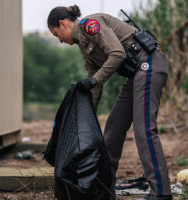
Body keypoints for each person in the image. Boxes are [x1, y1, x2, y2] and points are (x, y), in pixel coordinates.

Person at [47, 5, 173, 200]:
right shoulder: (83, 44)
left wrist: (95, 80)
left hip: (149, 64)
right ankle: (104, 192)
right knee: (112, 131)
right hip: (136, 75)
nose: (61, 41)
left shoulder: (90, 25)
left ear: (63, 24)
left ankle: (162, 193)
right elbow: (94, 84)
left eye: (57, 35)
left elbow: (117, 54)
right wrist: (86, 116)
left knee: (144, 130)